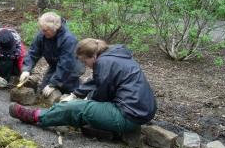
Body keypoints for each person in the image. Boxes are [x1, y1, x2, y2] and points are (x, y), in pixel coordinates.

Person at [9, 38, 157, 137]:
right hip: (142, 110)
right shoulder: (114, 56)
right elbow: (97, 82)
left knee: (78, 108)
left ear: (92, 56)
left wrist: (80, 101)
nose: (86, 66)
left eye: (85, 62)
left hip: (128, 116)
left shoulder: (104, 63)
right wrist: (76, 94)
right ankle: (57, 114)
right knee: (80, 103)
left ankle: (35, 116)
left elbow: (100, 96)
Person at [19, 12, 84, 97]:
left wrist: (53, 84)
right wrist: (26, 69)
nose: (43, 32)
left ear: (55, 28)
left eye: (45, 30)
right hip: (55, 66)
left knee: (67, 92)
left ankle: (78, 87)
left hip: (72, 68)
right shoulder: (42, 35)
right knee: (44, 91)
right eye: (42, 29)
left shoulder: (69, 39)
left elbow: (66, 64)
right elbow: (33, 52)